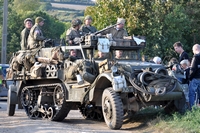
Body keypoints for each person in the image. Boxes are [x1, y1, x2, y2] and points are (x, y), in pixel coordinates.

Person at [188, 44, 200, 108]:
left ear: (195, 49)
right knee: (199, 94)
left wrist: (190, 77)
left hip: (195, 78)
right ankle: (198, 107)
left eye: (193, 50)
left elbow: (193, 69)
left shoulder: (195, 57)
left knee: (191, 94)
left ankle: (191, 108)